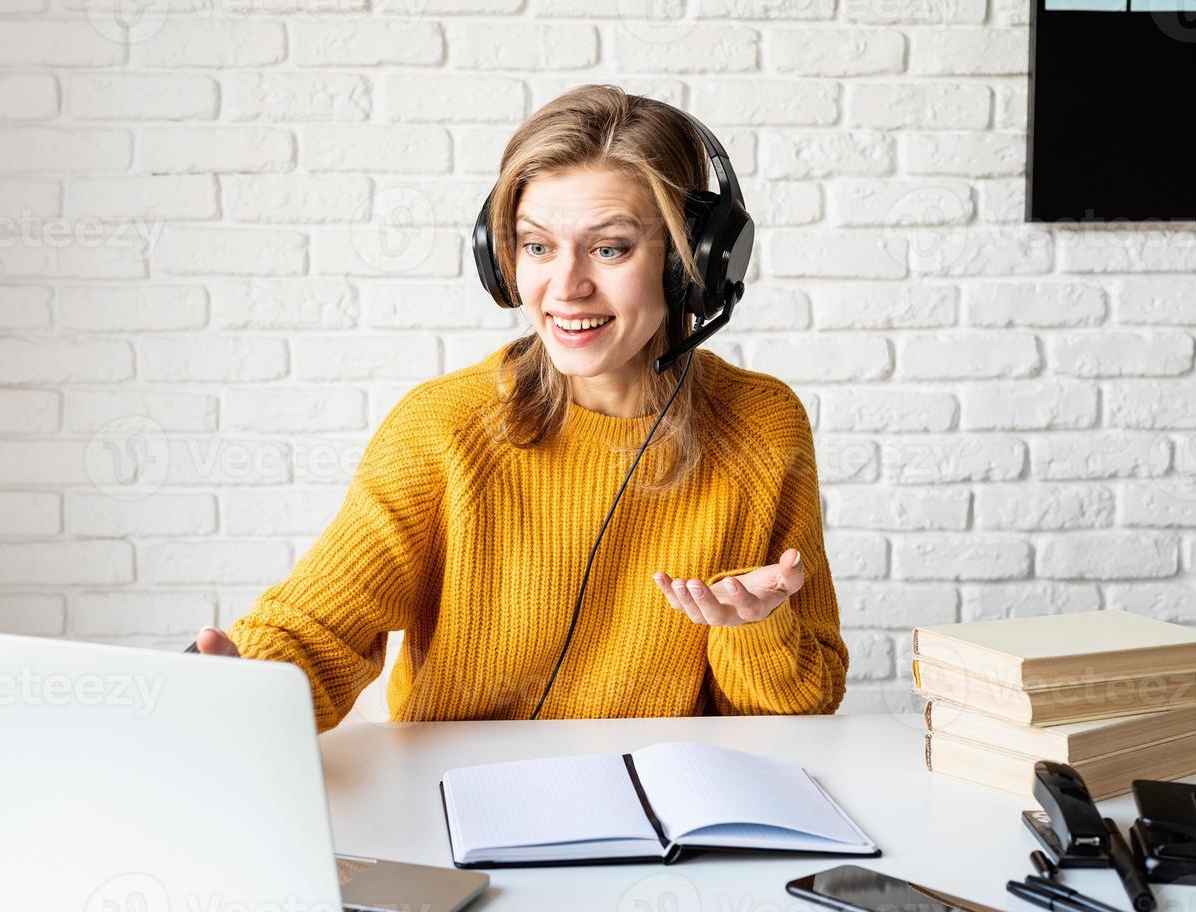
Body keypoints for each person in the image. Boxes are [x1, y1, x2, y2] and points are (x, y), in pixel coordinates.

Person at [193, 84, 850, 732]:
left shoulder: (760, 424)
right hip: (462, 809)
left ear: (691, 261)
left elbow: (806, 705)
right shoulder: (442, 428)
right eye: (536, 246)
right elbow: (317, 630)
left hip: (665, 816)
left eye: (609, 247)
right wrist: (237, 684)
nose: (565, 287)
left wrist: (754, 629)